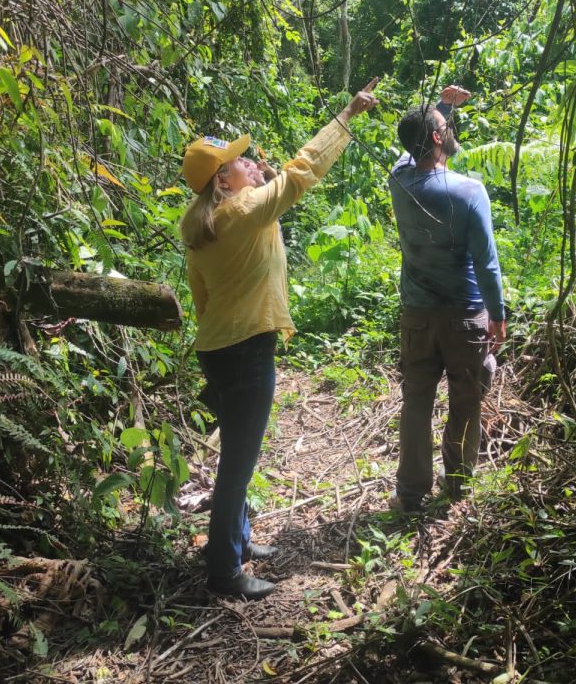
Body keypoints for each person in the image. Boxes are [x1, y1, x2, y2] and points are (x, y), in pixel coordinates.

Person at [180, 80, 379, 600]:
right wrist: (348, 114)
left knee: (237, 456)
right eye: (240, 162)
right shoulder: (243, 213)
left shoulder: (206, 226)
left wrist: (260, 181)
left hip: (219, 348)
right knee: (237, 464)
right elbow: (301, 172)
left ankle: (238, 543)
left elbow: (200, 297)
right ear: (222, 181)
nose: (250, 162)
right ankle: (224, 572)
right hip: (245, 351)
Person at [388, 86, 506, 513]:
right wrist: (498, 315)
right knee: (466, 399)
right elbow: (487, 263)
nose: (451, 128)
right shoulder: (468, 192)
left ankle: (411, 493)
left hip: (417, 316)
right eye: (445, 126)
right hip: (464, 316)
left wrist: (438, 108)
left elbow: (407, 151)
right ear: (438, 139)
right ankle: (456, 481)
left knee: (416, 401)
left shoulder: (399, 181)